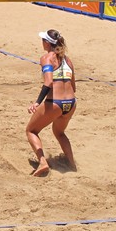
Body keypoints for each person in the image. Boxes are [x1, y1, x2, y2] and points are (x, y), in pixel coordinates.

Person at [26, 29, 77, 177]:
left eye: (43, 40)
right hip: (71, 103)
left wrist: (37, 103)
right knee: (59, 133)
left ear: (47, 43)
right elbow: (73, 87)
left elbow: (48, 82)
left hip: (55, 102)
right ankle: (72, 165)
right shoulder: (68, 60)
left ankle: (42, 163)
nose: (41, 42)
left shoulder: (47, 58)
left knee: (31, 131)